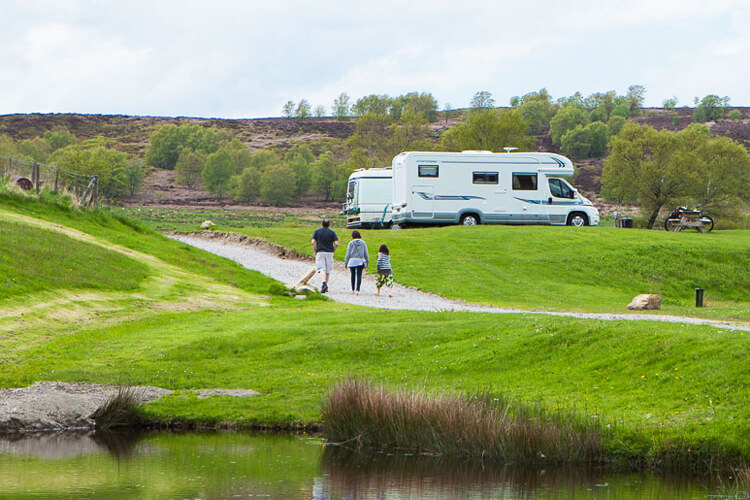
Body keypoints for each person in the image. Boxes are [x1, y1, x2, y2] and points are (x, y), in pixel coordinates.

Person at [311, 219, 338, 293]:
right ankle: (326, 284)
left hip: (320, 251)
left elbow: (313, 242)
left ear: (322, 224)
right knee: (328, 269)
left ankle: (323, 283)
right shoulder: (332, 232)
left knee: (321, 268)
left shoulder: (317, 231)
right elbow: (336, 243)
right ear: (329, 225)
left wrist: (315, 250)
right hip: (329, 252)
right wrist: (333, 250)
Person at [344, 230, 369, 295]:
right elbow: (366, 253)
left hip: (352, 261)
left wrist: (346, 263)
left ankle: (352, 289)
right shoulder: (363, 243)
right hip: (360, 261)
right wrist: (367, 261)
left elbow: (348, 254)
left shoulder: (351, 243)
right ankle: (357, 290)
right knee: (359, 275)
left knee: (353, 275)